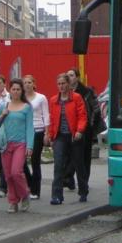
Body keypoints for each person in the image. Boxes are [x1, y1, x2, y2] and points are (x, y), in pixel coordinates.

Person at [0, 79, 34, 213]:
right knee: (8, 175)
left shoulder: (27, 107)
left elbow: (30, 128)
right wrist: (2, 116)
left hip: (20, 144)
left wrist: (30, 146)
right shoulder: (4, 106)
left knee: (16, 172)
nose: (15, 91)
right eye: (13, 89)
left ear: (22, 91)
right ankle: (13, 201)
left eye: (18, 89)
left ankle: (25, 194)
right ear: (10, 90)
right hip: (5, 144)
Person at [46, 73, 88, 205]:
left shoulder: (76, 98)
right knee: (58, 165)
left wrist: (80, 131)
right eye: (59, 84)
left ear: (68, 84)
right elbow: (52, 119)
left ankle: (83, 191)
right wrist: (50, 136)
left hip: (74, 135)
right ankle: (56, 196)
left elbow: (82, 116)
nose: (61, 86)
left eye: (63, 83)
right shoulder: (53, 100)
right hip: (60, 136)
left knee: (78, 164)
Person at [64, 69, 101, 191]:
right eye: (67, 76)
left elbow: (95, 108)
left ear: (77, 77)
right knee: (70, 154)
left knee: (84, 156)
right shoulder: (65, 92)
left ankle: (83, 181)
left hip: (85, 128)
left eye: (71, 75)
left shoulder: (87, 91)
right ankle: (69, 179)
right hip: (69, 128)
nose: (69, 78)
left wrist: (90, 124)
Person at [22, 75, 49, 200]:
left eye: (29, 82)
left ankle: (35, 190)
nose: (27, 84)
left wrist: (47, 133)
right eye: (25, 82)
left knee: (35, 160)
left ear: (34, 84)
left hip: (38, 130)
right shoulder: (21, 99)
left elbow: (46, 115)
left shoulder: (41, 98)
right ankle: (29, 182)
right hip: (24, 132)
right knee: (21, 161)